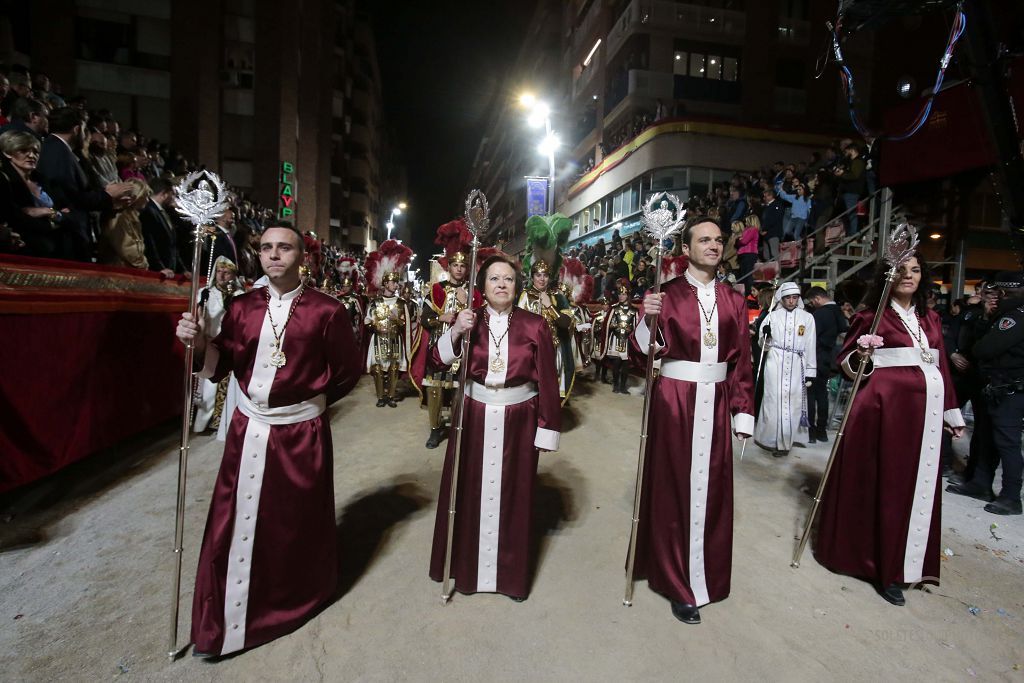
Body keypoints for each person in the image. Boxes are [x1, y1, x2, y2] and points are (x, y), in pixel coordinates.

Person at [174, 222, 361, 656]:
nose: (274, 255)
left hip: (301, 433)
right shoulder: (240, 308)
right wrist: (198, 341)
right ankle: (222, 621)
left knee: (293, 522)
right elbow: (219, 365)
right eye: (265, 248)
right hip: (248, 427)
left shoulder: (327, 310)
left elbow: (348, 372)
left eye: (284, 248)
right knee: (231, 519)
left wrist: (306, 406)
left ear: (303, 257)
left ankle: (293, 601)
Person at [815, 254, 965, 606]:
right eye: (901, 270)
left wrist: (951, 411)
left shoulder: (930, 317)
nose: (909, 276)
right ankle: (883, 566)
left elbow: (940, 364)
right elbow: (847, 362)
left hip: (925, 414)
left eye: (915, 269)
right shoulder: (872, 315)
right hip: (883, 411)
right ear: (888, 276)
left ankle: (909, 559)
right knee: (888, 484)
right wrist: (861, 356)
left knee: (918, 484)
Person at [631, 215, 755, 625]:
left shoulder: (734, 299)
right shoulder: (664, 294)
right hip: (675, 400)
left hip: (717, 400)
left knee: (712, 488)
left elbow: (740, 362)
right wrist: (645, 320)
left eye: (719, 240)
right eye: (704, 240)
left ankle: (707, 575)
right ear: (685, 248)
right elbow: (641, 356)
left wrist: (743, 411)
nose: (714, 246)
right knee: (673, 488)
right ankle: (676, 581)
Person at [428, 254, 561, 600]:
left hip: (520, 416)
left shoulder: (535, 325)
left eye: (508, 279)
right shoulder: (469, 321)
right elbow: (437, 360)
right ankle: (469, 573)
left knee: (516, 496)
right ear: (482, 287)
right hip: (474, 414)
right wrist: (456, 329)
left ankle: (511, 578)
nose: (501, 285)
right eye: (493, 279)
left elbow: (548, 379)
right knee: (470, 490)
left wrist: (547, 427)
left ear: (517, 286)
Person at [946, 271, 1024, 515]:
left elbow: (983, 349)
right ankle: (980, 484)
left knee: (1007, 444)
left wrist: (989, 320)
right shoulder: (1008, 315)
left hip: (1009, 390)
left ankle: (1011, 497)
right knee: (985, 438)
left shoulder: (1012, 318)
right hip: (998, 388)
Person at [410, 220, 480, 448]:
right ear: (448, 267)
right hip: (439, 348)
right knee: (436, 389)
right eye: (455, 265)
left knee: (461, 389)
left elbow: (480, 319)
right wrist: (441, 317)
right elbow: (424, 318)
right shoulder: (436, 290)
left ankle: (460, 427)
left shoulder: (474, 293)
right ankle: (435, 428)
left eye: (462, 266)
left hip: (465, 349)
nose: (459, 269)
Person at [754, 282, 817, 456]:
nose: (791, 301)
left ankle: (787, 441)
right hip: (776, 360)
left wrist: (810, 371)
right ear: (782, 298)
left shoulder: (807, 318)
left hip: (798, 363)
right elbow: (763, 345)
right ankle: (771, 439)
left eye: (794, 298)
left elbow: (811, 345)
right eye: (788, 298)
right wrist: (765, 334)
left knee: (793, 401)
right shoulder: (772, 317)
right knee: (773, 399)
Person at [193, 256, 244, 433]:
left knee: (227, 388)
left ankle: (222, 422)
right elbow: (200, 315)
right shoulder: (205, 293)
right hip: (209, 342)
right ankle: (202, 424)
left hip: (229, 345)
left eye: (227, 272)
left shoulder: (238, 295)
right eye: (220, 271)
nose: (222, 276)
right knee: (207, 388)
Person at [0, 130, 66, 258]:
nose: (31, 155)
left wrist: (49, 212)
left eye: (35, 152)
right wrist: (54, 222)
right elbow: (16, 219)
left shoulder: (43, 179)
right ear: (7, 153)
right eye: (23, 150)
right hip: (25, 250)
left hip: (55, 246)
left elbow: (67, 210)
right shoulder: (4, 180)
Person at [364, 240, 414, 407]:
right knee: (378, 369)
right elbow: (367, 321)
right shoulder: (375, 302)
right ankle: (380, 396)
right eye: (393, 282)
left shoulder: (401, 303)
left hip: (394, 338)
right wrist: (374, 326)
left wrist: (397, 321)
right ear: (385, 283)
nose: (396, 284)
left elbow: (405, 323)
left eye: (396, 282)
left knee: (393, 368)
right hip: (378, 338)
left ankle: (391, 396)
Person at [518, 260, 576, 403]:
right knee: (531, 387)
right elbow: (518, 326)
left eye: (545, 275)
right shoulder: (525, 295)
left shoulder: (558, 297)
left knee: (551, 385)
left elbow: (565, 323)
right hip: (531, 350)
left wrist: (549, 306)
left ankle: (549, 417)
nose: (542, 279)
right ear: (532, 277)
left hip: (554, 348)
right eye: (538, 275)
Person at [806, 286, 848, 443]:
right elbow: (843, 329)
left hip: (815, 357)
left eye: (812, 301)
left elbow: (811, 337)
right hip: (828, 358)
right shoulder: (837, 311)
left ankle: (810, 430)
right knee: (823, 394)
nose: (812, 304)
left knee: (810, 395)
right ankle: (821, 430)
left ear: (817, 299)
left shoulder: (819, 314)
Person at [98, 178, 151, 269]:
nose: (147, 200)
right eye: (145, 196)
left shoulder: (132, 216)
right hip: (117, 270)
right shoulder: (118, 217)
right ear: (136, 196)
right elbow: (126, 247)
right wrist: (142, 264)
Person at [601, 278, 637, 395]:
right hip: (616, 339)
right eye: (619, 294)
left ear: (628, 295)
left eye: (623, 294)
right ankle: (616, 385)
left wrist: (630, 329)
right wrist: (614, 325)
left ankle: (623, 387)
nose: (621, 296)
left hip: (627, 340)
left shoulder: (634, 310)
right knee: (616, 364)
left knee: (626, 365)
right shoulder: (614, 308)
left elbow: (636, 327)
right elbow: (607, 324)